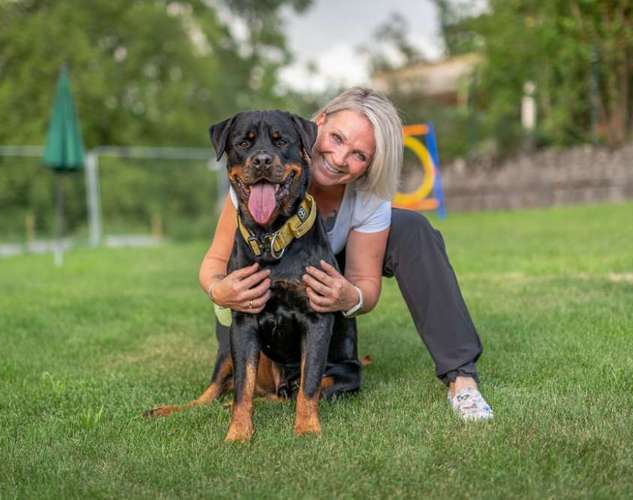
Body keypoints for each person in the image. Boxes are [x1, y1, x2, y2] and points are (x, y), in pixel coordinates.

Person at [199, 87, 493, 421]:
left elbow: (365, 284)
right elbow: (213, 261)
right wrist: (218, 290)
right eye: (337, 138)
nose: (340, 159)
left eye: (359, 155)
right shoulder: (261, 177)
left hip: (325, 272)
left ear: (371, 164)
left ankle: (462, 379)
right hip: (258, 281)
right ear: (319, 123)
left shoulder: (369, 196)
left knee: (413, 228)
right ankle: (259, 376)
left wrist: (348, 296)